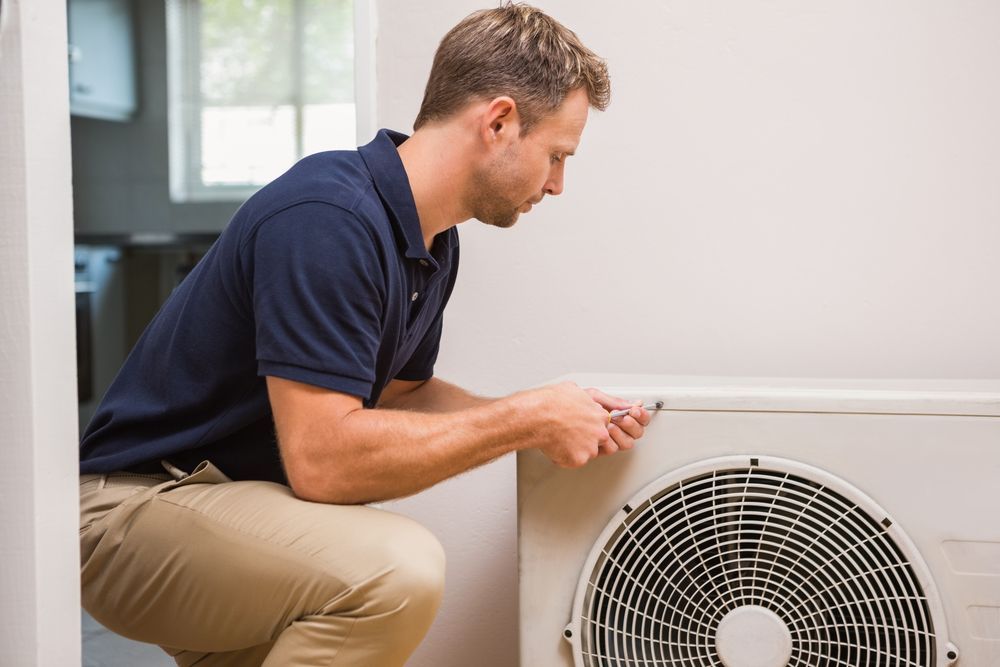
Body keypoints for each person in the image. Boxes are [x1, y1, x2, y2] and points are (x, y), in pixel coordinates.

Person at [78, 4, 651, 665]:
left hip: (229, 505)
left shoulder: (433, 241)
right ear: (499, 122)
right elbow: (324, 462)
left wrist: (549, 414)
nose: (557, 184)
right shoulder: (329, 217)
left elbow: (403, 397)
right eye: (556, 155)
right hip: (134, 509)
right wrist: (523, 420)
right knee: (395, 571)